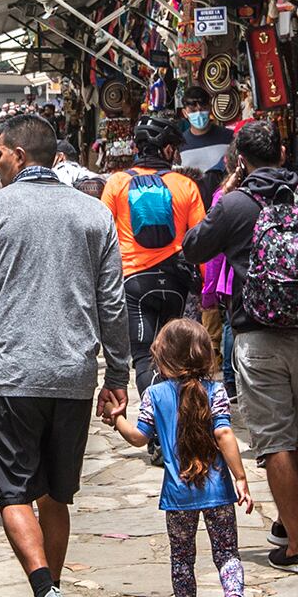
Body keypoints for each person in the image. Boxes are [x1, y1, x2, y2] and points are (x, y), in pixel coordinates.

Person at [0, 113, 130, 597]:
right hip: (73, 377)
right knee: (57, 494)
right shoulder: (93, 213)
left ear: (20, 155)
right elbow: (114, 303)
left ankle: (44, 593)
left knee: (13, 493)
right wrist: (118, 374)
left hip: (13, 375)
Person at [183, 121, 298, 576]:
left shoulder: (237, 204)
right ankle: (288, 519)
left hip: (258, 336)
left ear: (241, 159)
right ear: (283, 151)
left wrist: (230, 196)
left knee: (274, 439)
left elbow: (194, 247)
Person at [108, 321, 254, 597]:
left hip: (177, 496)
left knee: (182, 558)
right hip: (218, 492)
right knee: (227, 552)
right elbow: (224, 434)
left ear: (164, 360)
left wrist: (116, 417)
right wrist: (241, 478)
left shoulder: (154, 395)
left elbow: (138, 437)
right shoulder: (216, 392)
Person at [102, 116, 207, 395]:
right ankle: (176, 419)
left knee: (144, 358)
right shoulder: (186, 186)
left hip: (133, 282)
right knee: (174, 357)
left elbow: (103, 237)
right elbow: (200, 242)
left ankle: (154, 427)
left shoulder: (116, 183)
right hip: (175, 283)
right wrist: (205, 289)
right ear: (167, 149)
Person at [177, 90, 236, 190]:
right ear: (185, 113)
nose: (199, 114)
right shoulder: (179, 144)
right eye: (193, 111)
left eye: (203, 109)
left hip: (225, 199)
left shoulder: (229, 137)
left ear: (210, 109)